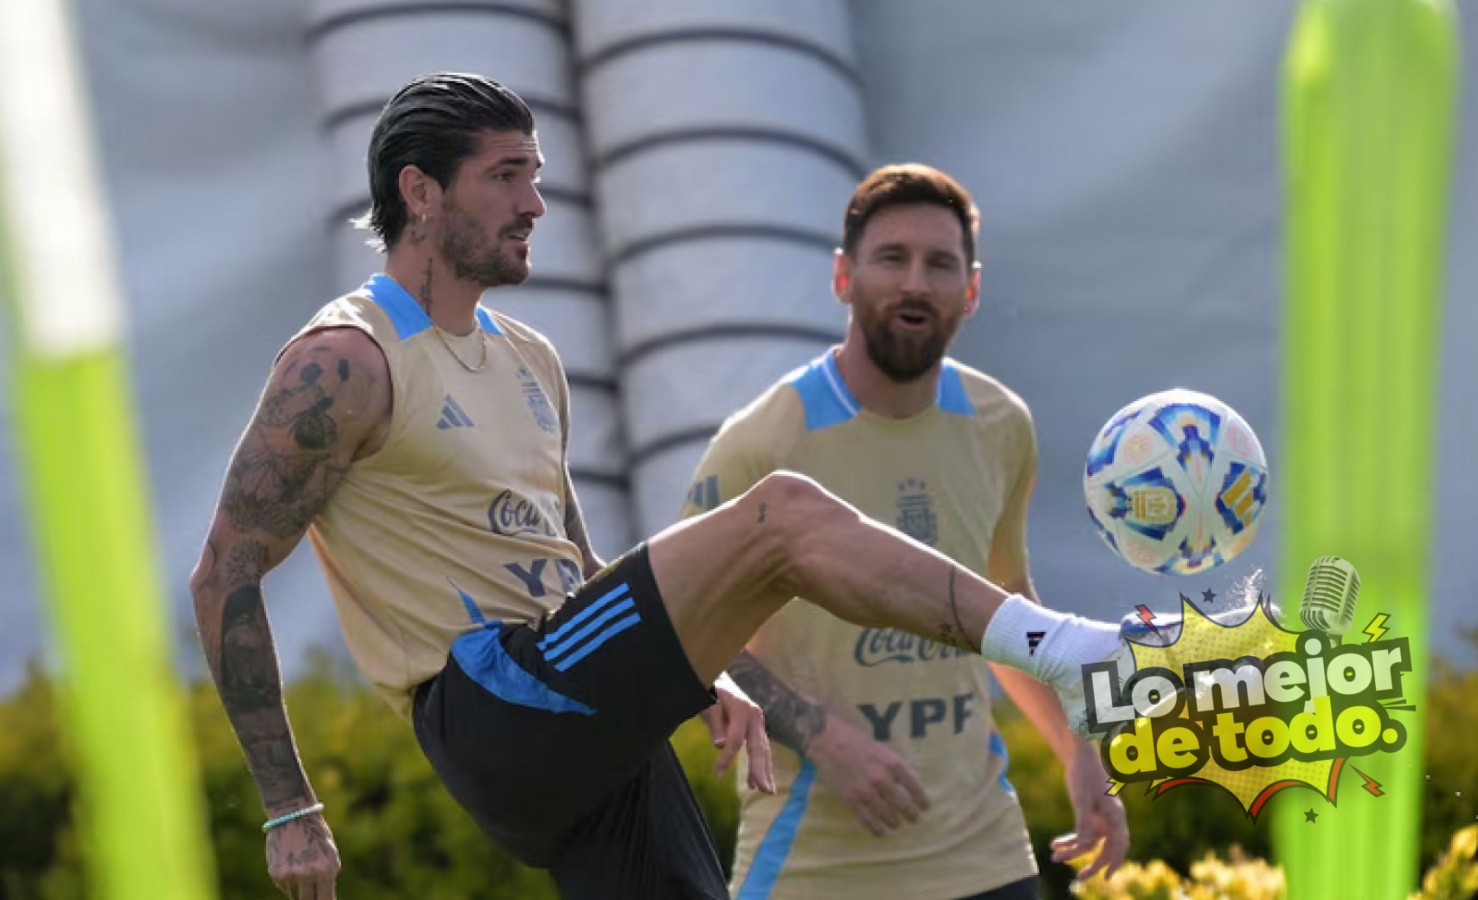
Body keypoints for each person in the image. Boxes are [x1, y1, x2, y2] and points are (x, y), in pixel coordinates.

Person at [190, 73, 1129, 900]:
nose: (536, 203)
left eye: (536, 175)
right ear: (420, 192)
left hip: (575, 698)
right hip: (494, 703)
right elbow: (223, 576)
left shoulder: (530, 358)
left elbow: (579, 565)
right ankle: (1068, 651)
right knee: (782, 516)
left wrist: (702, 668)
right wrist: (289, 807)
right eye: (507, 175)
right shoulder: (344, 362)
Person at [678, 164, 1128, 899]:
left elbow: (1006, 601)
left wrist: (1079, 750)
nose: (915, 283)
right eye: (892, 258)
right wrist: (823, 738)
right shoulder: (761, 443)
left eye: (939, 264)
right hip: (814, 871)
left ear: (970, 290)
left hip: (986, 857)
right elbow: (688, 639)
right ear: (843, 277)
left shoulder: (1001, 425)